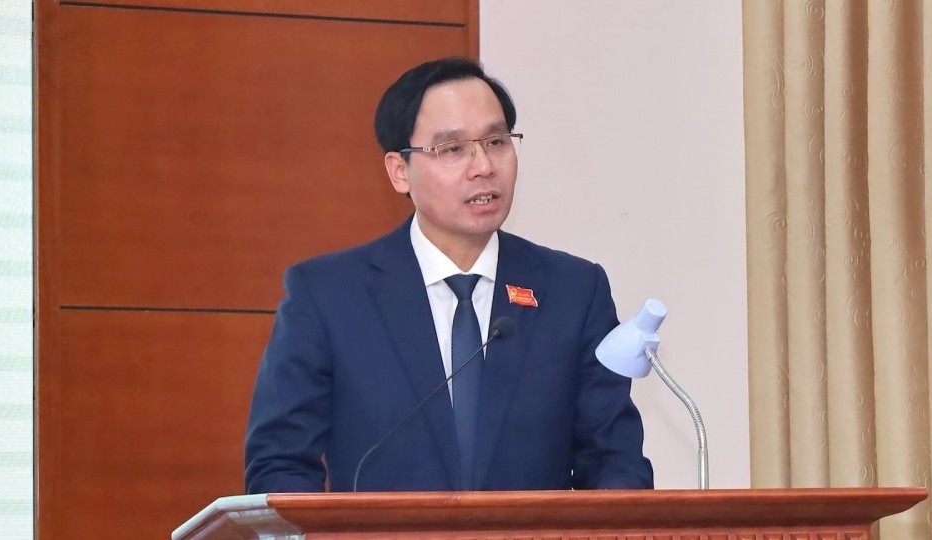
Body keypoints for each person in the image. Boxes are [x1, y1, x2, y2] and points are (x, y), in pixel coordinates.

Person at [244, 57, 653, 493]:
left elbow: (614, 462)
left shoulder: (573, 292)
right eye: (453, 149)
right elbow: (280, 465)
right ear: (399, 171)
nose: (483, 166)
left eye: (496, 141)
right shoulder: (329, 297)